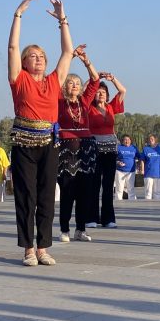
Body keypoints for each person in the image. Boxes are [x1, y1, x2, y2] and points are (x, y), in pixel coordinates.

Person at [7, 0, 74, 266]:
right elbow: (12, 48)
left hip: (49, 142)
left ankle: (44, 247)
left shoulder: (53, 81)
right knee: (26, 196)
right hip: (23, 143)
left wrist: (62, 20)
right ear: (24, 62)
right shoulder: (19, 79)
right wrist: (18, 15)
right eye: (32, 56)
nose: (38, 59)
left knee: (47, 194)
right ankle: (28, 249)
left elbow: (68, 52)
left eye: (41, 56)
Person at [79, 58, 126, 226]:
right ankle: (91, 217)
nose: (101, 94)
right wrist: (94, 78)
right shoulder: (88, 108)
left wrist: (112, 80)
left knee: (108, 184)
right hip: (94, 148)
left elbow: (122, 91)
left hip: (110, 149)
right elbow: (83, 92)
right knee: (94, 183)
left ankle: (108, 218)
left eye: (104, 93)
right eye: (98, 92)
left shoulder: (112, 107)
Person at [56, 62, 98, 242]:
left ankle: (80, 229)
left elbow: (95, 80)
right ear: (65, 86)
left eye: (78, 83)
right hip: (66, 149)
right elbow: (56, 79)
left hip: (86, 149)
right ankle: (64, 229)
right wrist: (69, 56)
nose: (75, 85)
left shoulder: (84, 101)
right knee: (67, 191)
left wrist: (86, 61)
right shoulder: (58, 101)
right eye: (71, 82)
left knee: (85, 192)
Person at [140, 134, 160, 199]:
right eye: (149, 139)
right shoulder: (146, 149)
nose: (150, 140)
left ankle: (156, 207)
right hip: (148, 173)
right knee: (148, 192)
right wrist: (142, 169)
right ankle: (147, 206)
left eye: (152, 138)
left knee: (157, 192)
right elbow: (142, 160)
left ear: (155, 139)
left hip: (158, 173)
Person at [115, 135, 138, 201]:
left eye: (128, 139)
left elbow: (139, 157)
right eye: (125, 139)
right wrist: (118, 162)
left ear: (130, 141)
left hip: (131, 171)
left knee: (131, 188)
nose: (127, 141)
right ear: (122, 141)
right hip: (120, 171)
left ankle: (132, 202)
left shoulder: (134, 148)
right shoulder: (118, 148)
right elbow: (113, 158)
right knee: (119, 188)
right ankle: (118, 202)